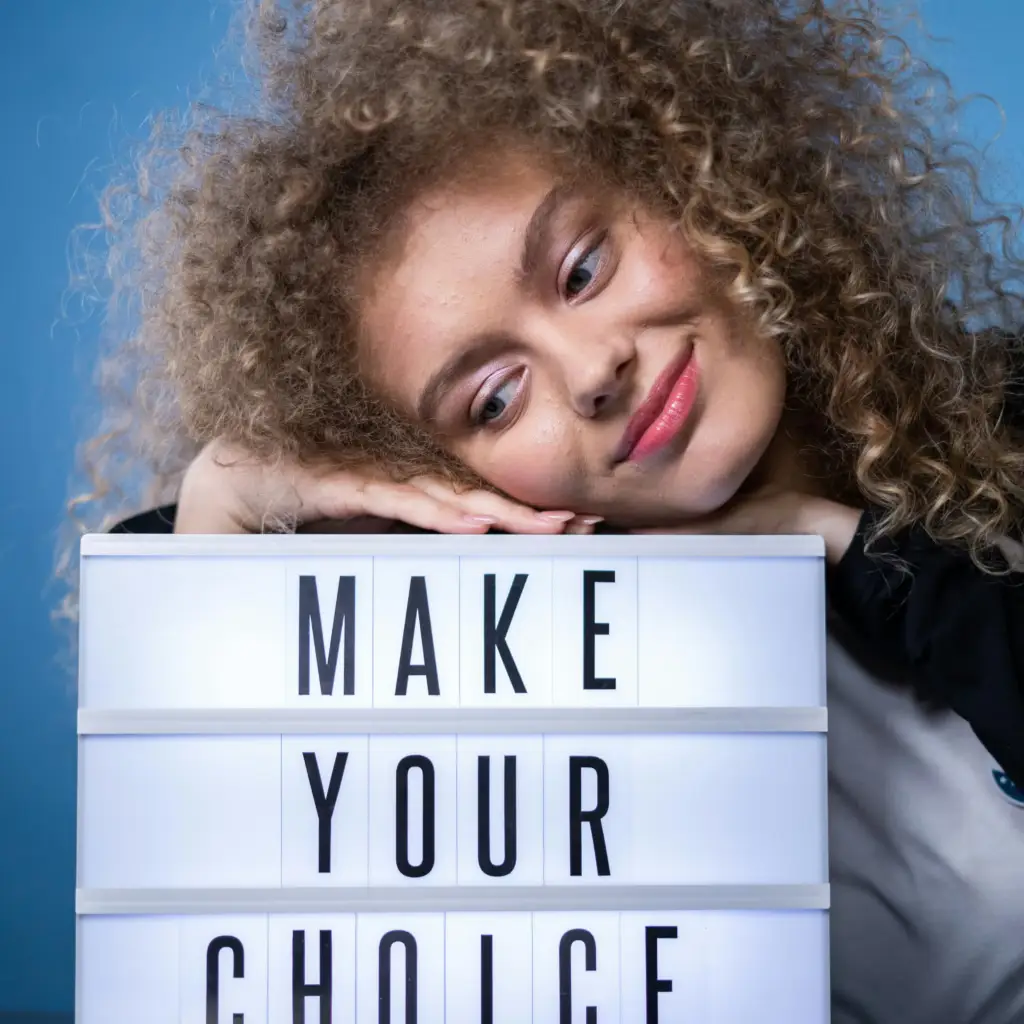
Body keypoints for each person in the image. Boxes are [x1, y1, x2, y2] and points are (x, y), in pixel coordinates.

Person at [77, 0, 1024, 1020]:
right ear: (434, 468)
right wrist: (228, 499)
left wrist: (844, 541)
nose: (592, 370)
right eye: (492, 396)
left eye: (582, 268)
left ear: (690, 176)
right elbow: (227, 915)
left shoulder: (1002, 423)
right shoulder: (511, 677)